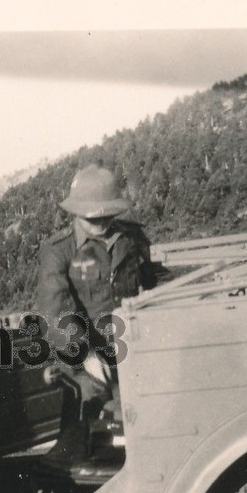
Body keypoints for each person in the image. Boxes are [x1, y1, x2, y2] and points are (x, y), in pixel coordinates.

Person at [36, 164, 157, 460]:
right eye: (94, 217)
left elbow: (152, 284)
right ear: (76, 212)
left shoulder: (132, 239)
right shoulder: (59, 250)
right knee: (85, 416)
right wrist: (86, 355)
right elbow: (54, 314)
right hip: (85, 357)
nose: (102, 222)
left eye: (108, 214)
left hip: (133, 350)